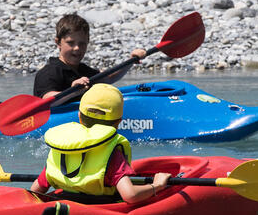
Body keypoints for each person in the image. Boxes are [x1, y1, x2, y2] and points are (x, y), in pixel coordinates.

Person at [30, 83, 170, 204]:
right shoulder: (112, 153)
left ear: (79, 116)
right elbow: (131, 195)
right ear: (118, 122)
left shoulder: (62, 144)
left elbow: (36, 191)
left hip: (64, 204)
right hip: (99, 208)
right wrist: (157, 185)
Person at [32, 13, 147, 103]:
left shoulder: (83, 71)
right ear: (58, 43)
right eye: (70, 43)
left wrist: (131, 61)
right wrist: (73, 92)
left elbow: (109, 78)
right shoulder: (49, 72)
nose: (77, 48)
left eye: (82, 43)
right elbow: (47, 100)